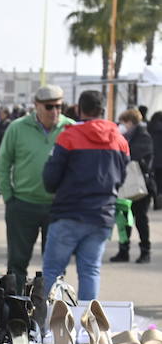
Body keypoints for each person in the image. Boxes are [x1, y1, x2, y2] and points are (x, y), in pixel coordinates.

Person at [42, 90, 130, 301]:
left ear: (79, 110)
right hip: (102, 216)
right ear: (102, 110)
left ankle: (48, 323)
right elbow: (121, 178)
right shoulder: (120, 140)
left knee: (53, 272)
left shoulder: (69, 136)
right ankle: (88, 327)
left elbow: (50, 179)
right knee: (90, 271)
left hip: (68, 213)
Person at [0, 85, 73, 290]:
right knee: (17, 263)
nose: (55, 111)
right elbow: (2, 164)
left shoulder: (71, 128)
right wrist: (8, 197)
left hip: (58, 208)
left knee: (56, 265)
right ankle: (16, 311)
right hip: (22, 205)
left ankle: (53, 311)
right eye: (49, 107)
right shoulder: (18, 128)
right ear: (36, 106)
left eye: (59, 106)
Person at [110, 109, 153, 264]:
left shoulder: (143, 136)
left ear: (130, 121)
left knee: (140, 219)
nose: (122, 125)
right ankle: (124, 250)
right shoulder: (125, 136)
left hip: (140, 186)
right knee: (124, 219)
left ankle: (145, 251)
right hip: (125, 185)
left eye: (123, 122)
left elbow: (135, 156)